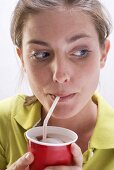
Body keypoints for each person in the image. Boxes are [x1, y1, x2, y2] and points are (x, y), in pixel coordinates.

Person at [0, 0, 114, 169]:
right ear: (22, 58)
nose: (60, 76)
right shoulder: (4, 122)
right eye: (41, 54)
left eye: (80, 52)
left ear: (103, 54)